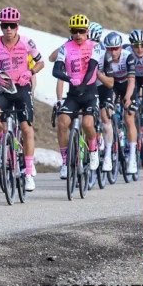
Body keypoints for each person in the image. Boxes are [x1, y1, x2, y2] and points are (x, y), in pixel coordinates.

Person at [0, 7, 43, 191]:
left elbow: (40, 62)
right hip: (2, 88)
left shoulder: (27, 42)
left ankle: (28, 171)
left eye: (12, 25)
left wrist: (30, 72)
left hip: (21, 87)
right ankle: (4, 142)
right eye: (4, 26)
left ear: (17, 26)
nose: (8, 29)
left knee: (26, 128)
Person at [52, 15, 104, 174]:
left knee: (88, 124)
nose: (78, 35)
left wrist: (82, 84)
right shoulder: (65, 47)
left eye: (81, 31)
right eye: (75, 31)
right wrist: (70, 79)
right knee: (62, 123)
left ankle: (94, 151)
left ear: (87, 31)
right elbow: (56, 70)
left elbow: (91, 69)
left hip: (89, 92)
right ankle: (65, 162)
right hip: (73, 94)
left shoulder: (95, 46)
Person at [99, 32, 137, 173]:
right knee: (106, 112)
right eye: (110, 48)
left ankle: (132, 158)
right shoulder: (103, 58)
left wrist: (127, 96)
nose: (113, 52)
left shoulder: (128, 56)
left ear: (121, 47)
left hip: (127, 84)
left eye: (116, 48)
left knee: (129, 116)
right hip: (112, 86)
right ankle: (108, 154)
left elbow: (132, 80)